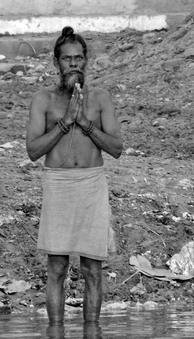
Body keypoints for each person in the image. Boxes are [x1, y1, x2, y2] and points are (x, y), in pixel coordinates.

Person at [26, 26, 123, 323]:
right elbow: (33, 151)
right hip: (58, 184)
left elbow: (117, 149)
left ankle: (92, 335)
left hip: (92, 184)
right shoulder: (43, 99)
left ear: (86, 61)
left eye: (79, 58)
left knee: (93, 268)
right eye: (67, 59)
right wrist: (66, 122)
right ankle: (54, 336)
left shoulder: (101, 98)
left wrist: (86, 123)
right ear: (56, 63)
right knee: (56, 267)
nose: (74, 64)